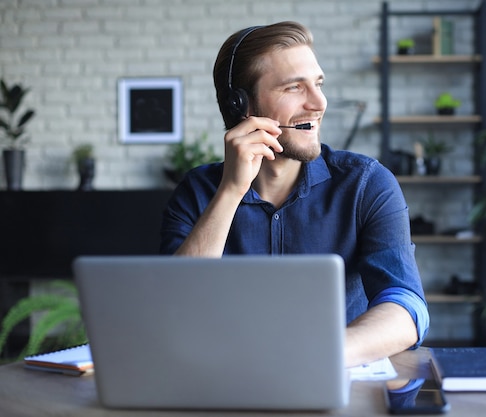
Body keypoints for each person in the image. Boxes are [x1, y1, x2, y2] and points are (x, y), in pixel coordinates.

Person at [160, 21, 429, 368]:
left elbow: (406, 305)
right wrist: (230, 191)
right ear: (240, 105)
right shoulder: (197, 192)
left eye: (318, 84)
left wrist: (321, 355)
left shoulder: (367, 183)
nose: (318, 103)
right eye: (293, 88)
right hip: (225, 377)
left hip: (337, 376)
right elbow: (173, 308)